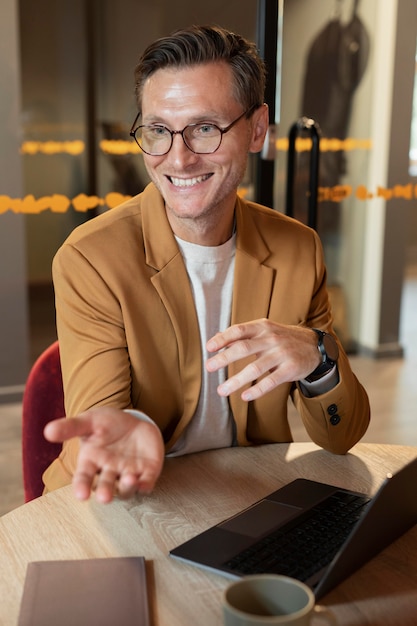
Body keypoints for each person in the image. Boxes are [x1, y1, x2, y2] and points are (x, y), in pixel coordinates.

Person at [43, 25, 370, 503]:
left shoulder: (299, 248)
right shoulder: (90, 258)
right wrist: (130, 427)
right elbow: (100, 418)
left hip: (246, 499)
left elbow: (343, 437)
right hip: (116, 499)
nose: (178, 158)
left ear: (257, 129)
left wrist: (318, 358)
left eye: (204, 128)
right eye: (158, 130)